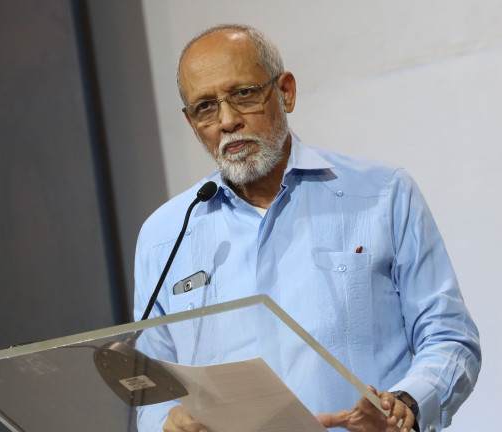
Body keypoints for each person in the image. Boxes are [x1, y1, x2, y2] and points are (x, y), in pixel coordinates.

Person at [133, 24, 481, 432]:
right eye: (205, 107)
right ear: (192, 123)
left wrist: (405, 404)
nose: (227, 121)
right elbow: (149, 390)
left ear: (286, 92)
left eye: (243, 94)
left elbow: (449, 337)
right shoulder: (164, 236)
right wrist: (166, 422)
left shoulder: (383, 194)